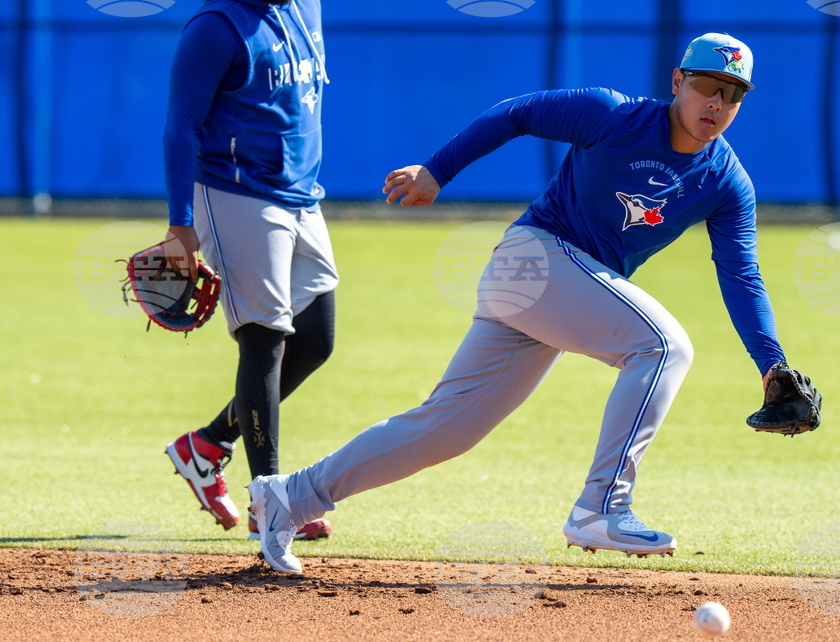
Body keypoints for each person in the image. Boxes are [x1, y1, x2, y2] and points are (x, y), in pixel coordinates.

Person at [249, 32, 792, 574]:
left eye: (732, 93)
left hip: (562, 292)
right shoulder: (611, 115)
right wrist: (436, 171)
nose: (716, 103)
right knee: (662, 347)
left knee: (446, 428)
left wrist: (772, 366)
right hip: (534, 260)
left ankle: (290, 497)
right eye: (706, 86)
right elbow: (518, 113)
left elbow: (741, 273)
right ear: (678, 82)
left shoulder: (726, 182)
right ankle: (603, 505)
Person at [162, 0, 337, 542]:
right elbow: (180, 125)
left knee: (316, 339)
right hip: (235, 193)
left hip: (300, 198)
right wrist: (181, 225)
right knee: (264, 340)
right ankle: (273, 499)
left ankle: (206, 445)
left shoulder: (307, 2)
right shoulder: (216, 26)